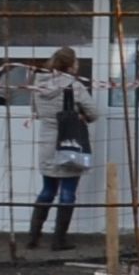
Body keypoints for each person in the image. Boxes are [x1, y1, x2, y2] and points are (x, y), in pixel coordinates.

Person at [24, 49, 98, 254]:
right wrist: (81, 117)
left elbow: (35, 111)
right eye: (75, 62)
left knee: (47, 190)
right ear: (70, 65)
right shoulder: (75, 86)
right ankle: (59, 240)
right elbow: (93, 112)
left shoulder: (38, 85)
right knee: (67, 193)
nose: (77, 66)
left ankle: (33, 237)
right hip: (69, 144)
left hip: (47, 144)